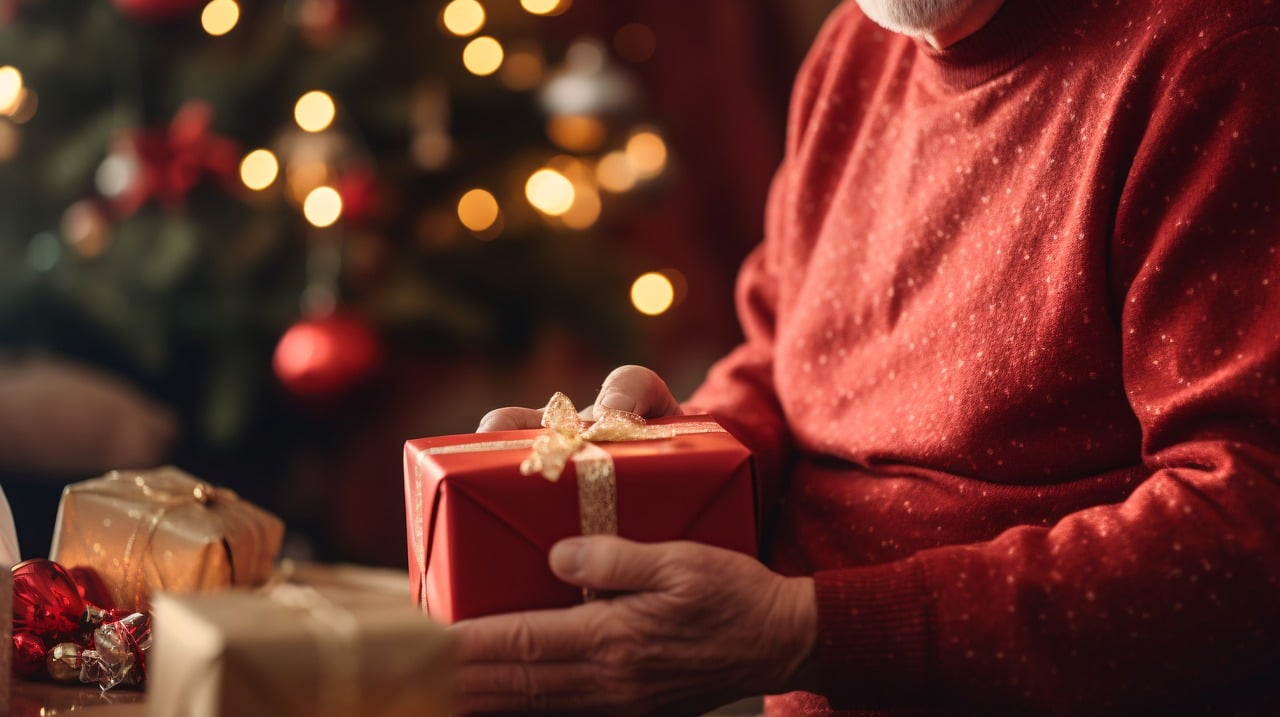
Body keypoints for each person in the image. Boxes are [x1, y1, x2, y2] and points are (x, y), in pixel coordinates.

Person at [453, 0, 1280, 714]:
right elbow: (784, 362)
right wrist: (672, 450)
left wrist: (808, 629)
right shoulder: (856, 44)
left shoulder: (1214, 54)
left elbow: (1250, 524)